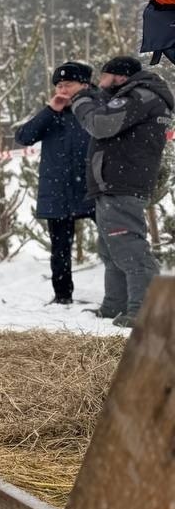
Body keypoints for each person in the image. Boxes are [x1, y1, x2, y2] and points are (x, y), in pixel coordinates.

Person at [69, 55, 173, 328]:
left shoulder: (140, 96)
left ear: (120, 76)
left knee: (129, 248)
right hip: (115, 182)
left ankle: (144, 311)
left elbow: (101, 125)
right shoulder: (138, 97)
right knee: (111, 249)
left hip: (122, 181)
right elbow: (109, 114)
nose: (99, 80)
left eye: (104, 75)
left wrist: (80, 100)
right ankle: (115, 305)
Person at [15, 61, 96, 305]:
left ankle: (120, 296)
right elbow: (23, 137)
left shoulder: (97, 109)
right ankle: (62, 296)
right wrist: (50, 110)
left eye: (68, 84)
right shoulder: (52, 114)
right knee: (60, 249)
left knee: (113, 244)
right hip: (58, 190)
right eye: (58, 85)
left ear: (84, 85)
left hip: (93, 188)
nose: (62, 90)